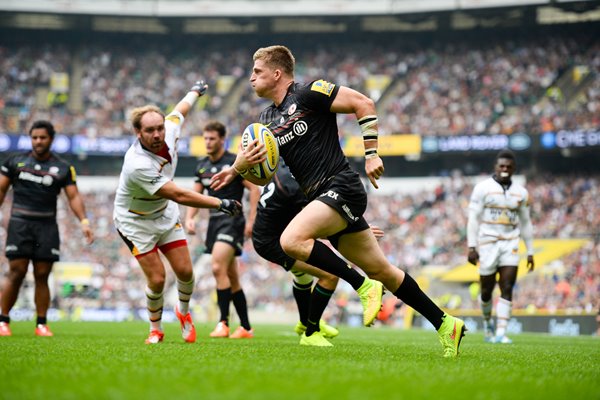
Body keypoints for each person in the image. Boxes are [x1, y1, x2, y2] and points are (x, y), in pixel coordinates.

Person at [213, 45, 466, 357]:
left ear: (277, 73)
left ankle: (362, 287)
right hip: (322, 200)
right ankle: (446, 325)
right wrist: (238, 169)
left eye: (257, 72)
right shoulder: (266, 118)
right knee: (384, 271)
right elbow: (264, 177)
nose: (250, 78)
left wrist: (372, 154)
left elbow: (363, 102)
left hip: (341, 185)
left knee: (291, 240)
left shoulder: (308, 93)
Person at [113, 81, 242, 345]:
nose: (158, 134)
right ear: (138, 133)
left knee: (186, 272)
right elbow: (180, 195)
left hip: (164, 214)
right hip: (135, 221)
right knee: (158, 279)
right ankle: (155, 329)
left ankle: (183, 314)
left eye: (160, 128)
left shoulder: (169, 129)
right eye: (150, 130)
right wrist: (220, 203)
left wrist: (195, 91)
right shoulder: (137, 163)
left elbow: (181, 110)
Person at [0, 120, 94, 337]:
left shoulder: (63, 167)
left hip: (47, 226)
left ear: (51, 139)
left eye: (42, 138)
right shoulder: (15, 161)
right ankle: (3, 320)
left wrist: (84, 221)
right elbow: (2, 190)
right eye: (34, 137)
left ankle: (41, 324)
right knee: (17, 272)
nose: (38, 141)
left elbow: (74, 196)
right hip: (20, 223)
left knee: (43, 274)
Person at [252, 160, 341, 346]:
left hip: (271, 235)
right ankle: (311, 331)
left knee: (303, 276)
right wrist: (350, 231)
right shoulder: (295, 184)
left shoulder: (284, 167)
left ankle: (303, 322)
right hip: (273, 242)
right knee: (330, 275)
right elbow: (315, 225)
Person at [185, 121, 259, 339]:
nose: (207, 142)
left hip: (232, 220)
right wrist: (190, 217)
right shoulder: (202, 165)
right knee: (231, 276)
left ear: (221, 140)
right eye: (205, 138)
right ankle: (245, 327)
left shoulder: (233, 163)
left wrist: (251, 220)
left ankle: (223, 323)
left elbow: (254, 188)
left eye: (212, 139)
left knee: (217, 267)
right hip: (214, 223)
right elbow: (195, 195)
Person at [467, 149, 534, 344]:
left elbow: (526, 222)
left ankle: (501, 332)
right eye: (501, 166)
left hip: (510, 243)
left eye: (509, 166)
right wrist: (472, 246)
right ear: (495, 167)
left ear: (514, 169)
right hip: (487, 243)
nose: (505, 169)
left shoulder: (521, 193)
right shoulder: (482, 188)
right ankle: (488, 324)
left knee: (507, 286)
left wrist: (530, 251)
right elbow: (473, 218)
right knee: (486, 290)